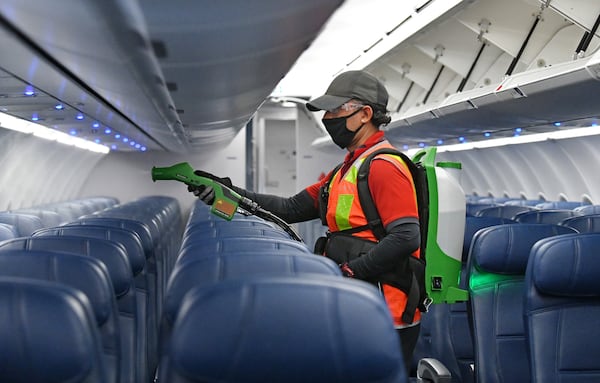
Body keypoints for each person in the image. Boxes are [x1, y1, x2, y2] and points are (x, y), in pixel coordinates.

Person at [190, 70, 422, 372]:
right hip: (354, 300)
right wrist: (228, 192)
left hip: (383, 310)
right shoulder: (344, 170)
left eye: (336, 109)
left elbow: (406, 237)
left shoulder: (384, 167)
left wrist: (349, 273)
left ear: (365, 114)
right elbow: (289, 208)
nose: (327, 117)